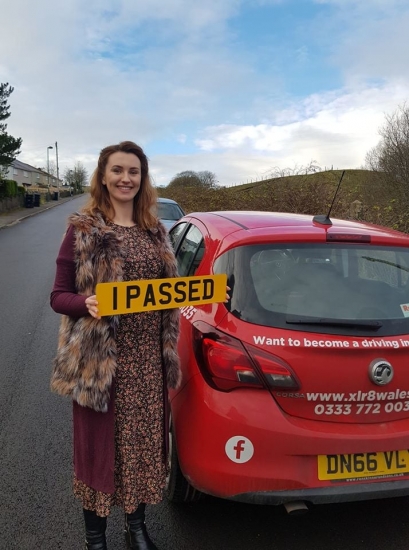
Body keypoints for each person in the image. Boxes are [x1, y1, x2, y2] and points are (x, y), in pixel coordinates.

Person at [50, 141, 181, 550]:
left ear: (143, 180)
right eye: (118, 170)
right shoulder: (83, 229)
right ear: (103, 177)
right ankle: (95, 539)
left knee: (141, 449)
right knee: (98, 454)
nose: (126, 178)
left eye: (134, 172)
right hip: (100, 365)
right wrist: (84, 303)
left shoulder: (156, 232)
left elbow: (170, 294)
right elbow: (58, 295)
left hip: (147, 363)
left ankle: (136, 527)